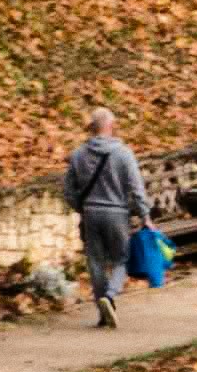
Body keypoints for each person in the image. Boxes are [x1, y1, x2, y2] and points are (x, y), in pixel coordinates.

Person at [60, 106, 151, 330]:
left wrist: (80, 207)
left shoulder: (79, 154)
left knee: (95, 262)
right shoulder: (123, 153)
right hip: (117, 213)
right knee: (122, 258)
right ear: (110, 126)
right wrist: (145, 215)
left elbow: (68, 190)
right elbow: (136, 187)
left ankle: (103, 312)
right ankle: (109, 296)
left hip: (90, 214)